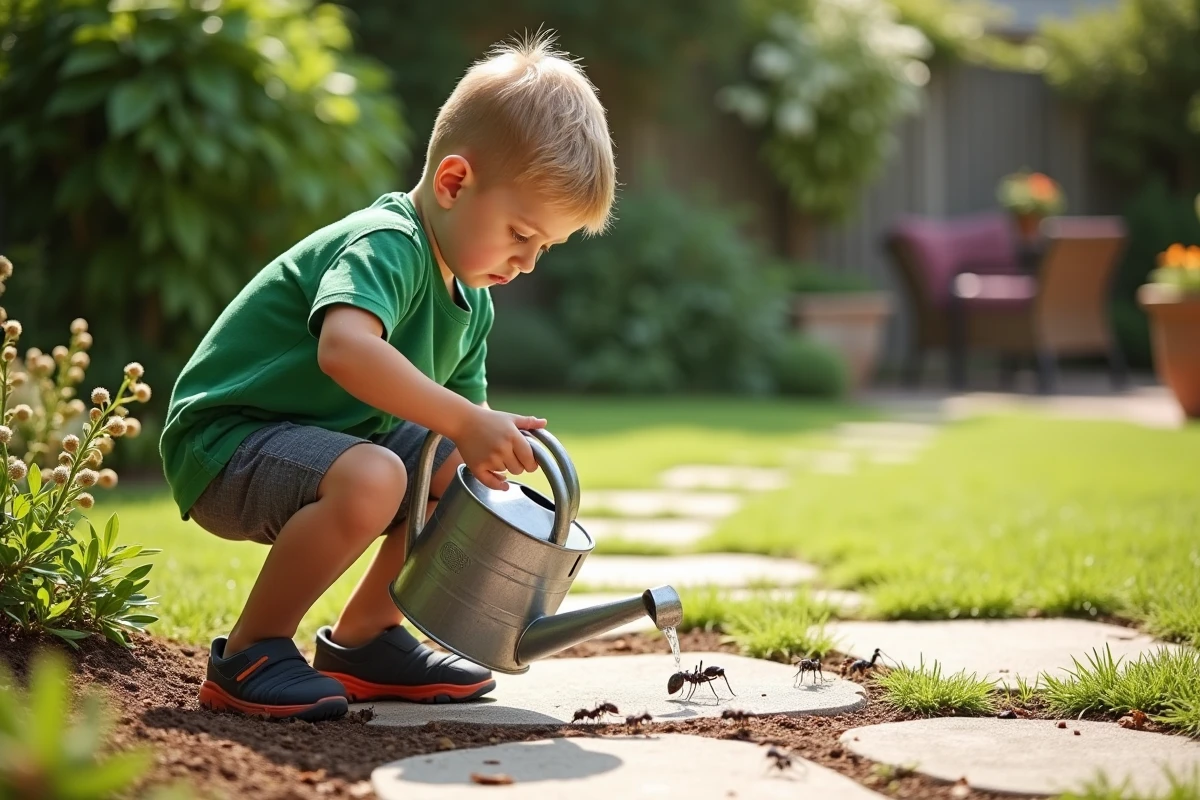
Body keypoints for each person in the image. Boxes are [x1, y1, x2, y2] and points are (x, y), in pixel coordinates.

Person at [158, 32, 617, 721]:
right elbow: (343, 349)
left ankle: (366, 639)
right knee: (380, 474)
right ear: (454, 182)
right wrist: (463, 419)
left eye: (543, 247)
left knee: (455, 467)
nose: (527, 262)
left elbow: (455, 439)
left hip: (319, 445)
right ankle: (249, 652)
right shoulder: (386, 243)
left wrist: (483, 443)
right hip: (226, 442)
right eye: (521, 234)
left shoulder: (472, 302)